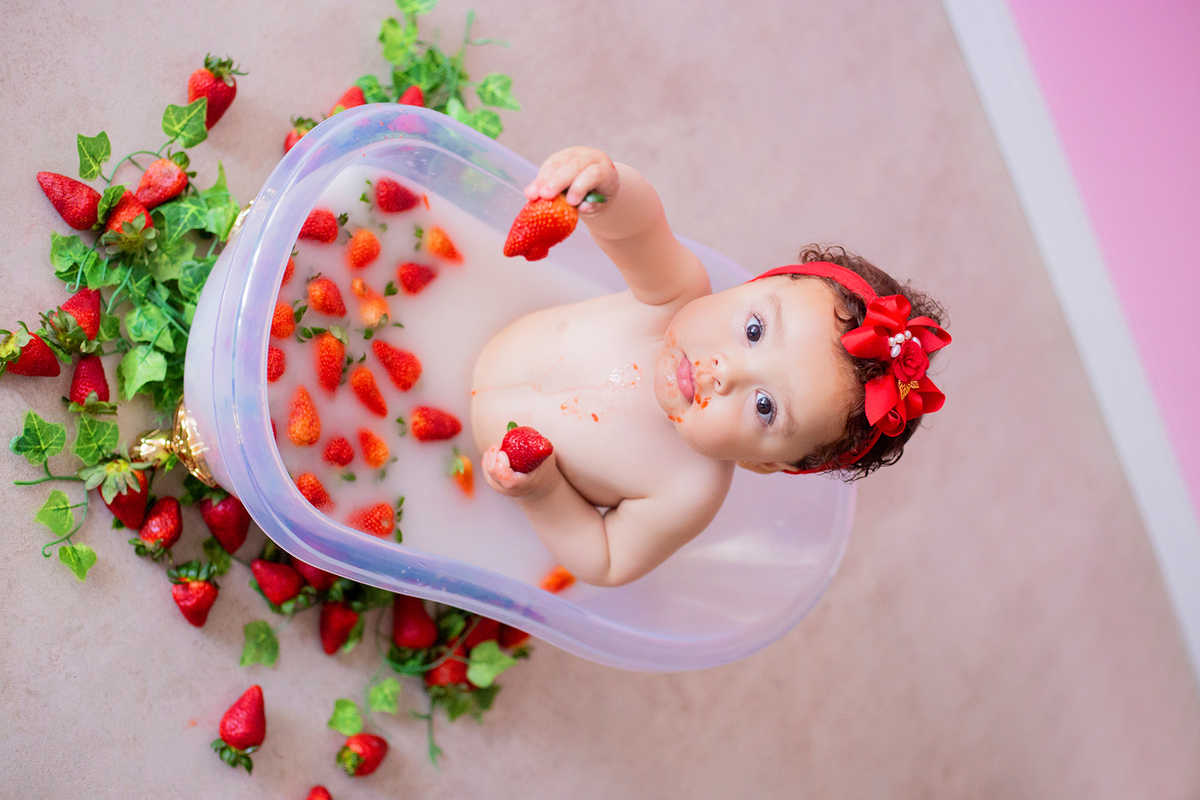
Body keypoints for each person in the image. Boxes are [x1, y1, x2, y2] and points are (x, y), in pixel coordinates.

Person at [470, 147, 950, 587]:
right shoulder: (674, 294)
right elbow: (638, 227)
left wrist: (543, 491)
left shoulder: (687, 490)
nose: (727, 372)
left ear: (762, 463)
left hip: (484, 474)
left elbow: (608, 560)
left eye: (764, 407)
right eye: (755, 331)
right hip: (480, 327)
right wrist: (608, 190)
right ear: (745, 287)